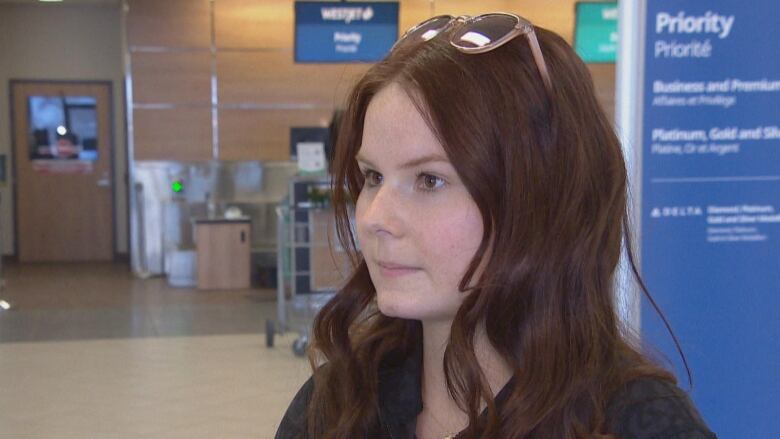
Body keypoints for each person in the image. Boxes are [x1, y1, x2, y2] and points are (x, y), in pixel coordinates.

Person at [276, 13, 716, 439]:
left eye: (430, 180)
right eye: (373, 177)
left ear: (538, 198)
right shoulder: (338, 405)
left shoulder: (637, 422)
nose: (374, 219)